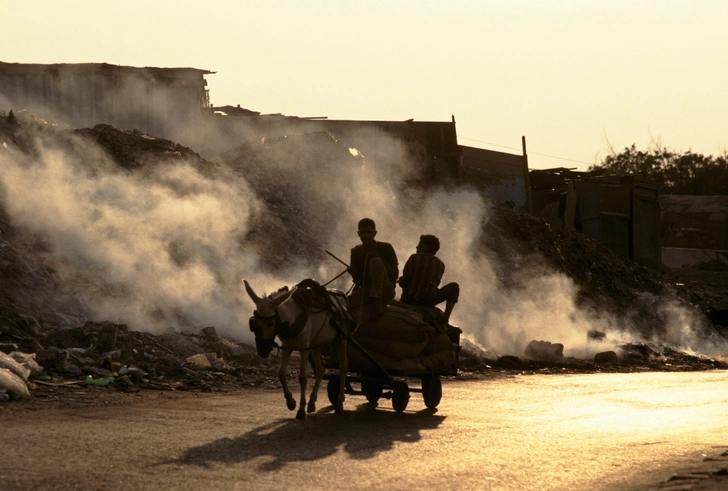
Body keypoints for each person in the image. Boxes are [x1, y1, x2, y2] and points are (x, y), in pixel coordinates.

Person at [398, 234, 460, 321]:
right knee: (454, 287)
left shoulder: (414, 258)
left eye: (420, 244)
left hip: (408, 300)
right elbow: (435, 283)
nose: (417, 247)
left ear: (426, 247)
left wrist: (401, 280)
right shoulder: (440, 264)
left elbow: (405, 280)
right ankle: (446, 318)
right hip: (427, 302)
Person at [348, 218, 399, 321]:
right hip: (366, 292)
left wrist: (379, 259)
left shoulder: (386, 247)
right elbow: (359, 281)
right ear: (358, 233)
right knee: (342, 304)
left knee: (375, 261)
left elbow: (394, 275)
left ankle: (377, 303)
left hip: (386, 291)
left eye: (369, 232)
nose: (366, 235)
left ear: (375, 233)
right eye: (363, 233)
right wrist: (353, 273)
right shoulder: (356, 252)